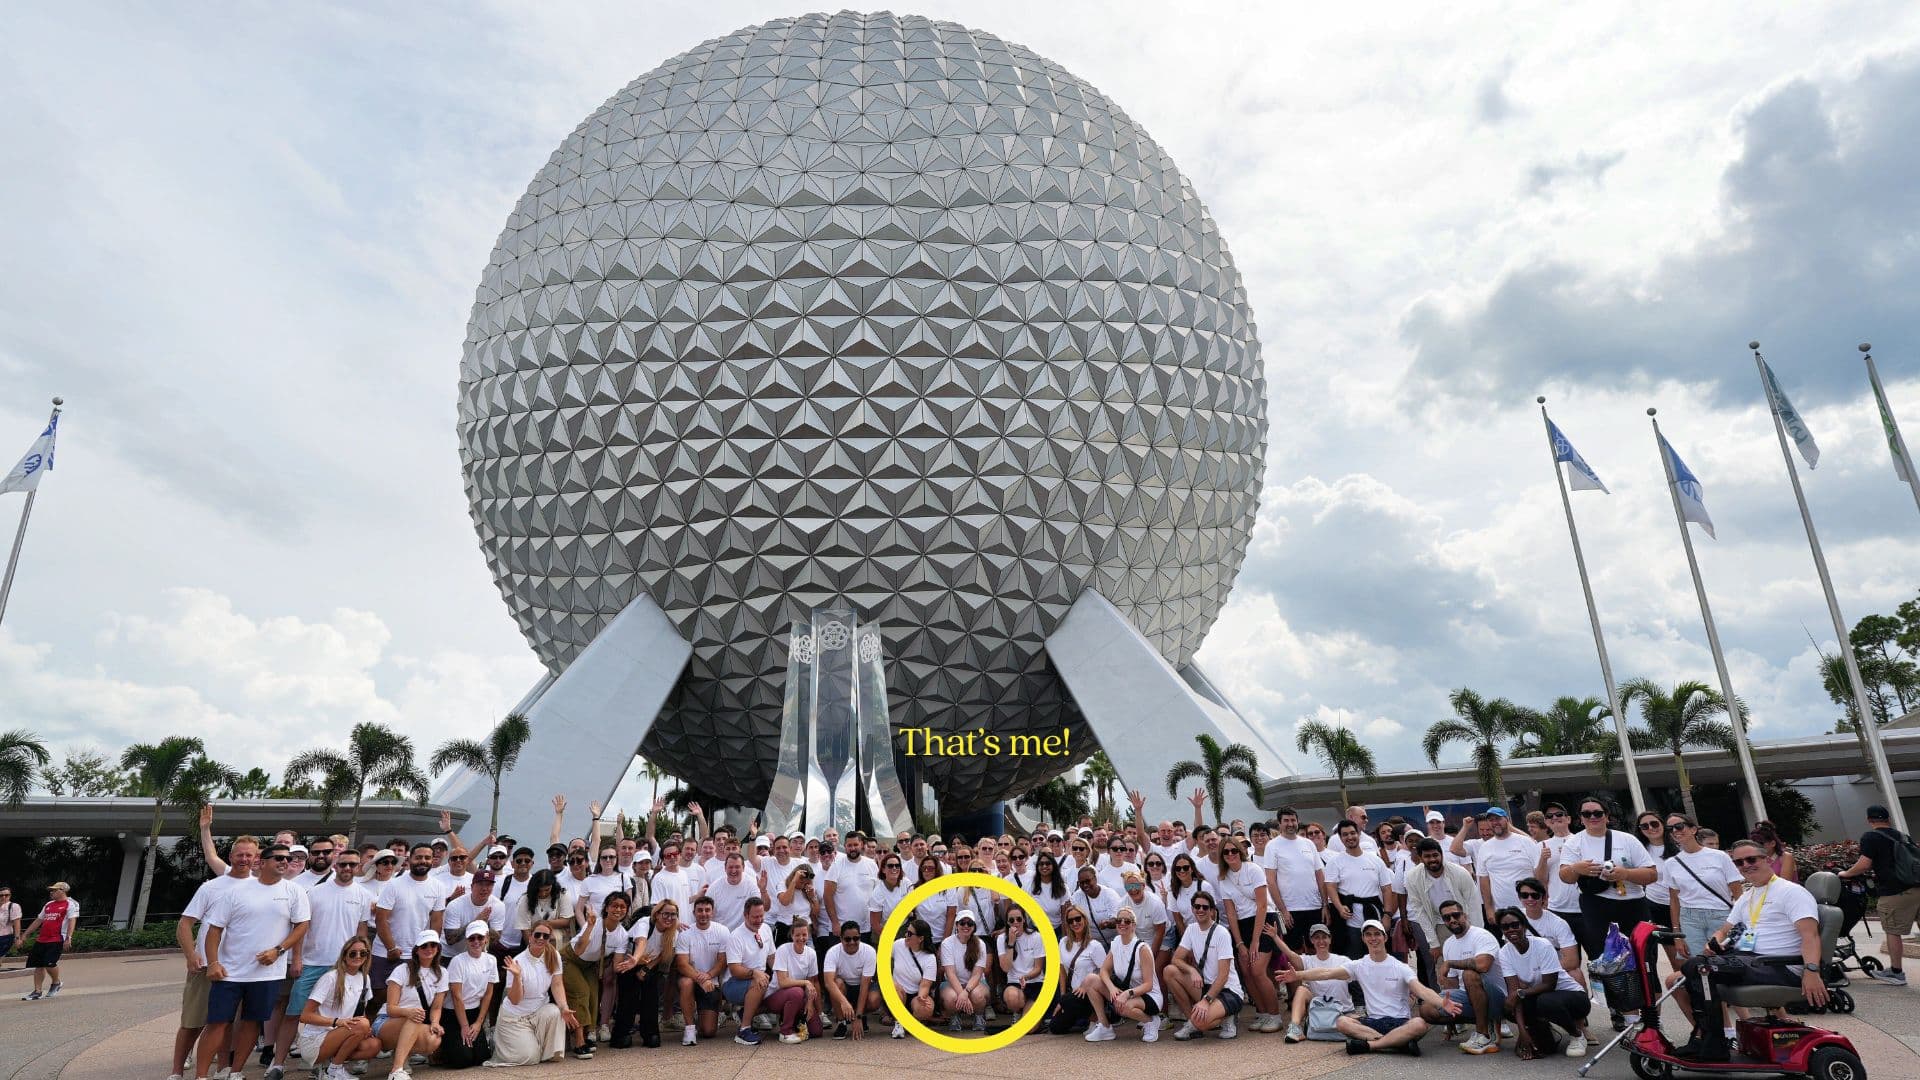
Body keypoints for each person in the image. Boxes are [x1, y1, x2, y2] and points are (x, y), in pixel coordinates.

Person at [1667, 839, 1827, 1062]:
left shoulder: (1791, 892)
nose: (1746, 865)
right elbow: (1724, 930)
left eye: (1751, 859)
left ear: (1767, 859)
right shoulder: (1749, 895)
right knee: (1675, 980)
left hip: (1778, 966)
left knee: (1699, 967)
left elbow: (1810, 935)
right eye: (1739, 862)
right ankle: (1708, 1036)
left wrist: (1811, 970)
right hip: (1751, 960)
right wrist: (1713, 943)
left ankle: (1714, 1044)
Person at [197, 846, 311, 1080]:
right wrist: (213, 963)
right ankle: (201, 1076)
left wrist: (279, 951)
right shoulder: (237, 891)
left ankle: (236, 1071)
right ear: (262, 862)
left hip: (267, 974)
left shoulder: (295, 891)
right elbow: (214, 929)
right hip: (230, 972)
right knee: (217, 1023)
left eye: (288, 859)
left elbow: (302, 925)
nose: (285, 862)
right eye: (278, 858)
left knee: (251, 1022)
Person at [268, 841, 375, 1079]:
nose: (348, 868)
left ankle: (328, 1066)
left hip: (346, 966)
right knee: (294, 1013)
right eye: (344, 863)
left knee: (340, 1016)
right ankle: (277, 1064)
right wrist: (296, 959)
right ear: (335, 865)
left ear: (359, 867)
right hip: (313, 963)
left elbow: (361, 932)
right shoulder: (314, 892)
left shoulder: (363, 895)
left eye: (353, 864)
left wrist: (362, 963)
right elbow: (301, 927)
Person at [1280, 918, 1459, 1056]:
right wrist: (1299, 975)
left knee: (1420, 1024)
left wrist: (1441, 1002)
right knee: (1342, 1022)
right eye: (1368, 935)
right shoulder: (1359, 965)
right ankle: (1397, 1044)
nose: (1373, 938)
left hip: (1400, 1022)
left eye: (1377, 934)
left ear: (1385, 937)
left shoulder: (1401, 967)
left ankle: (1372, 1045)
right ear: (1364, 939)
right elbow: (1326, 973)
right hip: (1373, 1022)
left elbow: (1420, 989)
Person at [172, 836, 258, 1078]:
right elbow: (185, 924)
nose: (244, 859)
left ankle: (222, 1069)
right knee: (192, 1022)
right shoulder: (211, 887)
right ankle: (177, 1072)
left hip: (238, 969)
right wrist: (191, 956)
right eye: (239, 854)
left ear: (256, 858)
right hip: (206, 966)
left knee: (225, 1022)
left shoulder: (261, 887)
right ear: (230, 857)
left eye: (249, 855)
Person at [1557, 795, 1657, 965]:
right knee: (1605, 957)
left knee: (1645, 956)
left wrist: (1625, 874)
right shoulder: (1574, 843)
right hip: (1596, 904)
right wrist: (1576, 868)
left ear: (1607, 816)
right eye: (1587, 814)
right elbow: (1564, 876)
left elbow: (1652, 874)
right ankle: (1613, 992)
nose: (1593, 817)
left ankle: (1650, 990)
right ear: (1580, 819)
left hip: (1633, 903)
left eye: (1598, 813)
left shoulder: (1627, 839)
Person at [1837, 803, 1920, 986]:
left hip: (1895, 891)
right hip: (1917, 886)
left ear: (1869, 820)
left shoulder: (1871, 836)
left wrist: (1845, 874)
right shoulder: (1902, 835)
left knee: (1893, 931)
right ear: (1888, 819)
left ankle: (1896, 973)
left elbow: (1864, 864)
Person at [1495, 907, 1591, 1059]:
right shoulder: (1504, 953)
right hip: (1541, 997)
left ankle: (1577, 1035)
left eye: (1515, 925)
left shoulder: (1542, 945)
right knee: (1508, 1006)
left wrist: (1521, 993)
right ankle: (1540, 1029)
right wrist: (1522, 1032)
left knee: (1545, 1001)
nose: (1511, 930)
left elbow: (1549, 985)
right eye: (1505, 927)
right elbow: (1514, 995)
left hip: (1574, 998)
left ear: (1524, 925)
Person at [490, 919, 577, 1066]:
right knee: (530, 1058)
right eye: (537, 935)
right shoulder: (517, 962)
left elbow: (557, 985)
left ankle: (535, 1046)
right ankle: (502, 1042)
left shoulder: (553, 955)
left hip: (537, 1012)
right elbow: (515, 1000)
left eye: (545, 936)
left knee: (555, 1011)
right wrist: (517, 977)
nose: (541, 939)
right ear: (530, 936)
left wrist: (564, 1007)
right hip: (515, 1018)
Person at [1424, 899, 1504, 1054]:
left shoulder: (1482, 935)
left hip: (1497, 997)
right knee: (1428, 1008)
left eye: (1456, 915)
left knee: (1469, 974)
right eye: (1447, 918)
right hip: (1468, 996)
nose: (1452, 920)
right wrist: (1450, 1017)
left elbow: (1483, 965)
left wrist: (1450, 963)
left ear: (1465, 915)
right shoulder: (1448, 944)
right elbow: (1452, 984)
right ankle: (1486, 1023)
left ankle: (1484, 1034)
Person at [295, 938, 381, 1079]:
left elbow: (361, 1015)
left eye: (363, 953)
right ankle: (334, 1071)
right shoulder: (330, 978)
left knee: (374, 1045)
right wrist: (336, 1021)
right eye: (353, 953)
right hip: (315, 1040)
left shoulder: (365, 978)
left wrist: (365, 1030)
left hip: (339, 1034)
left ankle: (329, 1066)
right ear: (344, 955)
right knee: (362, 1025)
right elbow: (305, 1016)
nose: (358, 957)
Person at [1661, 814, 1743, 963]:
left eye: (1679, 826)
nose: (1675, 831)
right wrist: (1677, 934)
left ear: (1693, 829)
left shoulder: (1719, 857)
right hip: (1689, 918)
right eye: (1670, 828)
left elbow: (1738, 892)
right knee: (1699, 965)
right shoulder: (1671, 863)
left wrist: (1741, 920)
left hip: (1721, 915)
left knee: (1728, 962)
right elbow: (1674, 900)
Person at [1161, 890, 1240, 1040]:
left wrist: (1206, 1000)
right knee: (1169, 971)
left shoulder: (1221, 933)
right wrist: (1192, 970)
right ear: (1192, 909)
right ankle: (1192, 1022)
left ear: (1212, 911)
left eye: (1205, 907)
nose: (1200, 910)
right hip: (1207, 986)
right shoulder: (1191, 929)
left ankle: (1227, 1017)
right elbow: (1176, 959)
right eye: (1197, 906)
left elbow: (1223, 976)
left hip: (1228, 990)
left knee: (1202, 1022)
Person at [562, 892, 630, 1059]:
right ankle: (578, 1041)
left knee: (594, 996)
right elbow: (578, 949)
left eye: (623, 907)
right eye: (614, 905)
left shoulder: (623, 935)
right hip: (569, 959)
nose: (618, 910)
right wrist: (590, 927)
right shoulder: (594, 923)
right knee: (581, 993)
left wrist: (636, 961)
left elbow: (615, 966)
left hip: (589, 965)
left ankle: (586, 1035)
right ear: (606, 908)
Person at [373, 844, 450, 991]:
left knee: (410, 999)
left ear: (432, 860)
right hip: (386, 953)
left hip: (417, 954)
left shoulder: (438, 887)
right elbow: (381, 919)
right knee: (378, 999)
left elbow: (436, 920)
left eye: (427, 857)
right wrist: (391, 948)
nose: (423, 861)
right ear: (410, 859)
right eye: (418, 857)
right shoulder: (394, 884)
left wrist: (431, 948)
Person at [374, 930, 447, 1080]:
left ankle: (403, 1055)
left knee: (434, 1039)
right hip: (386, 1021)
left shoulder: (443, 973)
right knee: (415, 1017)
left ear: (438, 948)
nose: (429, 948)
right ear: (416, 950)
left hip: (414, 1021)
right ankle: (396, 1070)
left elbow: (436, 1007)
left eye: (433, 945)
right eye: (424, 946)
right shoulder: (402, 970)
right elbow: (391, 1008)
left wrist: (435, 1022)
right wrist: (409, 1012)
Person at [1085, 904, 1162, 1042]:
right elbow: (1103, 970)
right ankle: (1105, 1027)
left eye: (1126, 921)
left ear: (1133, 925)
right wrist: (1111, 988)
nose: (1122, 924)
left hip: (1149, 996)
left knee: (1122, 1006)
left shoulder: (1142, 949)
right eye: (1118, 920)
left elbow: (1148, 985)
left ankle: (1150, 1021)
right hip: (1127, 993)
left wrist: (1127, 994)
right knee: (1090, 980)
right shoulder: (1116, 943)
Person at [1402, 837, 1478, 972]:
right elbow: (1420, 912)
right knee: (1443, 969)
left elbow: (1474, 905)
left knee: (1472, 965)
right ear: (1420, 858)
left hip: (1465, 922)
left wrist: (1477, 935)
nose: (1432, 859)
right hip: (1438, 924)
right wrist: (1434, 943)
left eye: (1435, 855)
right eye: (1427, 856)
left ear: (1441, 854)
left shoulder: (1460, 873)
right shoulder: (1412, 877)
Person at [1323, 820, 1394, 957]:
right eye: (1345, 835)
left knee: (1378, 955)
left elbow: (1386, 888)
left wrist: (1387, 915)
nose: (1349, 837)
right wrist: (1339, 907)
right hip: (1350, 918)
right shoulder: (1335, 861)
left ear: (1358, 834)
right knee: (1353, 957)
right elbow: (1330, 886)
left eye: (1352, 833)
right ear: (1340, 838)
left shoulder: (1375, 860)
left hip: (1375, 915)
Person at [610, 898, 673, 1050]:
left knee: (651, 998)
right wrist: (636, 961)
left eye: (673, 914)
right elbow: (641, 942)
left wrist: (647, 968)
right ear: (656, 914)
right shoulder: (645, 922)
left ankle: (650, 1033)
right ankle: (621, 1034)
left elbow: (662, 953)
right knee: (628, 1000)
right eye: (665, 914)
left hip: (648, 964)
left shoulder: (672, 930)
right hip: (628, 961)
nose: (669, 918)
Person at [1274, 922, 1349, 1043]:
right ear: (1312, 941)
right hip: (1318, 1007)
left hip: (1342, 1009)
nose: (1321, 941)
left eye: (1324, 937)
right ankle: (1295, 1028)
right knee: (1301, 990)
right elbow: (1290, 954)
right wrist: (1275, 936)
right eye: (1317, 938)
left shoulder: (1343, 960)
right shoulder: (1308, 960)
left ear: (1330, 939)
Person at [673, 894, 731, 1045]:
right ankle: (690, 1028)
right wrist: (700, 979)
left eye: (707, 910)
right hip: (691, 980)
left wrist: (708, 976)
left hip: (711, 983)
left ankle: (704, 1016)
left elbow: (722, 961)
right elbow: (682, 964)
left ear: (712, 912)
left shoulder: (723, 931)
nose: (703, 914)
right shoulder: (685, 933)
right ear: (694, 913)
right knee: (686, 983)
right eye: (700, 910)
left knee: (708, 1032)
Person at [444, 920, 501, 1068]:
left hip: (474, 1013)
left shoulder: (491, 960)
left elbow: (488, 994)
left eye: (480, 937)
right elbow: (457, 996)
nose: (476, 941)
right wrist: (464, 1026)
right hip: (454, 1014)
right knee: (462, 1060)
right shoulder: (458, 961)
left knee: (481, 1058)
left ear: (486, 938)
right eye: (471, 938)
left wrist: (478, 1023)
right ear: (467, 940)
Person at [1048, 902, 1109, 1035]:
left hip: (1088, 992)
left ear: (1084, 920)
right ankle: (1082, 1019)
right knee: (1055, 1027)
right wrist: (1062, 998)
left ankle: (1096, 1019)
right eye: (1071, 921)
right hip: (1072, 994)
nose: (1075, 923)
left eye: (1078, 919)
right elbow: (1062, 971)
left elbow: (1105, 973)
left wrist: (1086, 984)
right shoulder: (1063, 942)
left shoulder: (1095, 945)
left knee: (1069, 1002)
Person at [720, 896, 774, 1045]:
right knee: (759, 983)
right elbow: (735, 969)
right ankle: (744, 1030)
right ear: (745, 915)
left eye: (761, 916)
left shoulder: (766, 928)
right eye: (755, 917)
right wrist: (754, 973)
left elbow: (771, 957)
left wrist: (783, 975)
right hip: (733, 983)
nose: (759, 920)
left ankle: (745, 1013)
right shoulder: (736, 936)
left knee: (782, 987)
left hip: (760, 978)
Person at [768, 915, 825, 1043]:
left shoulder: (811, 953)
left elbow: (814, 982)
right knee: (797, 991)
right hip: (776, 996)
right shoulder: (783, 950)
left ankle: (792, 1020)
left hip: (798, 997)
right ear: (792, 935)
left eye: (804, 935)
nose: (801, 938)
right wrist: (805, 982)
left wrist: (811, 1005)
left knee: (817, 1031)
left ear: (808, 935)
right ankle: (785, 1032)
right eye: (797, 935)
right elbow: (783, 982)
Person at [19, 880, 79, 1001]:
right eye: (51, 890)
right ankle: (37, 991)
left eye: (54, 890)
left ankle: (56, 983)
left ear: (62, 891)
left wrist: (69, 937)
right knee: (39, 965)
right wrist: (25, 934)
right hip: (42, 939)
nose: (51, 892)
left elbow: (72, 921)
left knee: (49, 963)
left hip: (57, 938)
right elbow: (38, 920)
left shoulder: (70, 904)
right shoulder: (49, 904)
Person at [824, 919, 880, 1039]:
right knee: (836, 983)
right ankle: (841, 1022)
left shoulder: (869, 952)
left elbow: (865, 986)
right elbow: (828, 982)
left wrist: (858, 1016)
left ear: (860, 937)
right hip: (844, 987)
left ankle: (860, 1016)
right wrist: (844, 1002)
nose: (852, 942)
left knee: (874, 999)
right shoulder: (832, 952)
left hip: (862, 986)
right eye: (847, 939)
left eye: (856, 938)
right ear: (841, 938)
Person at [939, 909, 991, 1031]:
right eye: (962, 923)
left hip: (975, 984)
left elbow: (977, 974)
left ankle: (978, 1016)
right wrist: (961, 993)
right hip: (952, 983)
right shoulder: (947, 943)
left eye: (970, 923)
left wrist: (965, 992)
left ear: (974, 927)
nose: (966, 926)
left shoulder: (980, 944)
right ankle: (954, 1016)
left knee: (977, 995)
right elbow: (950, 973)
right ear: (956, 925)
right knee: (951, 998)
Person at [887, 917, 938, 1038]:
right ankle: (899, 1023)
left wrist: (921, 996)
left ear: (920, 939)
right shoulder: (898, 945)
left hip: (915, 994)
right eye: (906, 932)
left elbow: (925, 985)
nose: (906, 935)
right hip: (898, 993)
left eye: (910, 934)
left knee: (926, 1009)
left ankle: (911, 1021)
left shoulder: (930, 958)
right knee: (893, 987)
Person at [997, 906, 1047, 1020]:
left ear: (1024, 920)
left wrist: (1025, 977)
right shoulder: (1001, 938)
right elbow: (1005, 968)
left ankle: (1031, 1014)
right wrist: (1011, 943)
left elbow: (1038, 968)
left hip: (1035, 982)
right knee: (1011, 997)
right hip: (1014, 983)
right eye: (1011, 920)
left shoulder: (1035, 936)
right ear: (1007, 922)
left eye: (1019, 919)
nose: (1015, 923)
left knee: (1030, 1028)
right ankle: (1018, 1012)